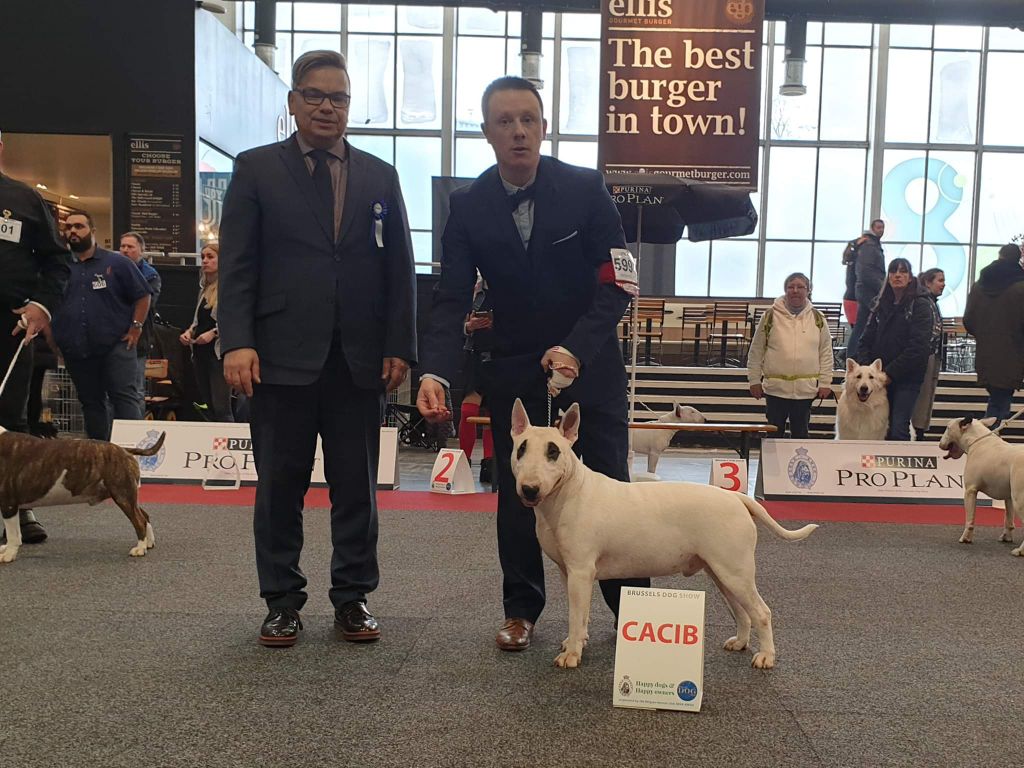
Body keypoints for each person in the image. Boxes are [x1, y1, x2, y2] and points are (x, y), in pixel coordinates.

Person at [416, 76, 649, 653]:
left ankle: (634, 616)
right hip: (514, 371)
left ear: (544, 127)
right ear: (487, 132)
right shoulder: (467, 205)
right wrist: (435, 371)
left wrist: (576, 348)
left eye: (528, 120)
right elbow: (451, 297)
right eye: (505, 121)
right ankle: (521, 611)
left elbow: (619, 281)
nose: (518, 131)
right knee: (517, 494)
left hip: (591, 368)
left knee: (614, 492)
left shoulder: (586, 188)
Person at [218, 50, 417, 648]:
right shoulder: (256, 168)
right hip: (278, 357)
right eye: (315, 95)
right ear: (293, 101)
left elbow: (400, 269)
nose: (327, 107)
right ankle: (281, 602)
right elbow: (237, 265)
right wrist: (237, 341)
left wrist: (399, 345)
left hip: (359, 360)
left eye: (339, 98)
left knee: (357, 488)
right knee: (280, 487)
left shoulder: (381, 176)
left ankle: (353, 598)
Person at [0, 129, 71, 546]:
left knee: (12, 418)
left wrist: (41, 306)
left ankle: (18, 505)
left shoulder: (24, 199)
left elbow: (58, 261)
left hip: (9, 326)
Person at [51, 211, 151, 440]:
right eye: (68, 227)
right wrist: (54, 338)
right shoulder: (60, 267)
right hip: (77, 349)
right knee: (90, 402)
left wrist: (136, 327)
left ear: (92, 231)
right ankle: (99, 455)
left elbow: (143, 295)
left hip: (116, 345)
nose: (73, 231)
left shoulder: (117, 263)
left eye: (79, 226)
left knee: (124, 399)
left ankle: (133, 454)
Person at [855, 258, 934, 441]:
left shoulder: (921, 305)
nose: (897, 275)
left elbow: (918, 347)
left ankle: (899, 461)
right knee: (879, 426)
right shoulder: (879, 304)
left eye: (903, 271)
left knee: (899, 426)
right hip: (878, 379)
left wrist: (889, 374)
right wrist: (868, 370)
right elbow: (864, 340)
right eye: (893, 271)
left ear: (910, 277)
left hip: (907, 378)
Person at [747, 272, 833, 439]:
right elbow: (756, 351)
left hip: (805, 392)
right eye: (791, 287)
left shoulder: (818, 318)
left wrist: (825, 382)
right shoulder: (769, 316)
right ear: (785, 290)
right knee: (773, 437)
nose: (795, 290)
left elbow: (826, 353)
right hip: (775, 391)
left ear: (808, 290)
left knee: (800, 436)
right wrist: (754, 380)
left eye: (800, 287)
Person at [963, 243, 1024, 425]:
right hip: (1013, 353)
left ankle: (988, 433)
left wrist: (985, 336)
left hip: (986, 353)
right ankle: (987, 436)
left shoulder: (979, 286)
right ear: (1018, 258)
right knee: (1000, 404)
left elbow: (969, 320)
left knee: (997, 399)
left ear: (999, 255)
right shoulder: (1020, 287)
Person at [178, 243, 233, 422]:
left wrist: (214, 333)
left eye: (210, 257)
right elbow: (198, 321)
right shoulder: (204, 290)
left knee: (221, 407)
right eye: (203, 257)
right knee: (208, 405)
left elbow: (233, 319)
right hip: (200, 352)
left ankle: (228, 437)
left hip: (219, 354)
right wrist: (189, 332)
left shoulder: (228, 289)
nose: (205, 261)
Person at [458, 277, 495, 484]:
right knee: (468, 411)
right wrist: (469, 326)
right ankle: (463, 460)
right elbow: (456, 324)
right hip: (475, 356)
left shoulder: (509, 286)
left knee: (493, 412)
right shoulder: (473, 290)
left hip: (499, 356)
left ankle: (489, 463)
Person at [119, 231, 162, 395]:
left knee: (135, 389)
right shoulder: (111, 271)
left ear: (141, 251)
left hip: (138, 339)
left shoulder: (150, 276)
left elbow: (146, 304)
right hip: (112, 337)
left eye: (130, 247)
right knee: (111, 390)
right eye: (122, 246)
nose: (125, 250)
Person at [911, 267, 945, 440]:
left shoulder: (932, 302)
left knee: (927, 397)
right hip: (924, 356)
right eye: (940, 280)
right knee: (922, 398)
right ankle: (918, 432)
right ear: (927, 282)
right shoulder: (923, 302)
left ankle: (920, 430)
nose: (943, 284)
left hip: (932, 355)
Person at [845, 219, 886, 360]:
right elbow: (866, 271)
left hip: (863, 290)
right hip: (868, 290)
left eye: (883, 227)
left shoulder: (867, 244)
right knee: (866, 324)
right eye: (879, 227)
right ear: (872, 228)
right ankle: (854, 356)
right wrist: (882, 288)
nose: (881, 230)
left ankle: (853, 356)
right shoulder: (869, 245)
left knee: (861, 325)